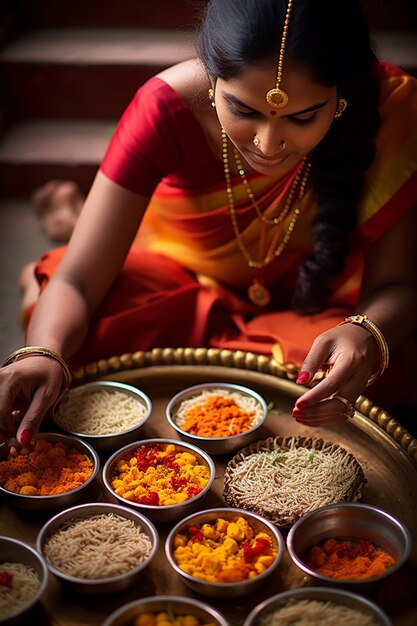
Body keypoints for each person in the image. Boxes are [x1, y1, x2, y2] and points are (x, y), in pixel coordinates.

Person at [1, 0, 417, 450]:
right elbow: (79, 280)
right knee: (65, 321)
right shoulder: (164, 105)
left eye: (302, 118)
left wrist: (365, 333)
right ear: (211, 78)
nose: (268, 145)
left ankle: (74, 217)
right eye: (242, 109)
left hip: (319, 303)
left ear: (340, 98)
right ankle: (74, 220)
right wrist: (43, 352)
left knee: (389, 369)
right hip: (186, 276)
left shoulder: (389, 110)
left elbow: (397, 284)